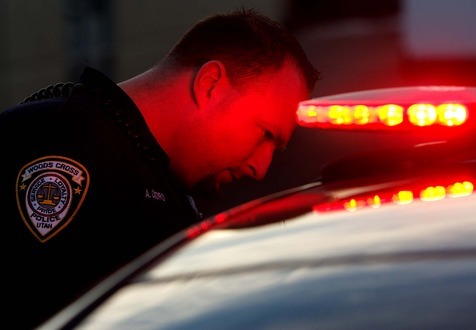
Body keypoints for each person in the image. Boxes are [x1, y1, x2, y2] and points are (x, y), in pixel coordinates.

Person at [1, 7, 320, 329]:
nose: (261, 167)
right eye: (265, 133)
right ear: (210, 84)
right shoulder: (58, 142)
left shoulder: (148, 171)